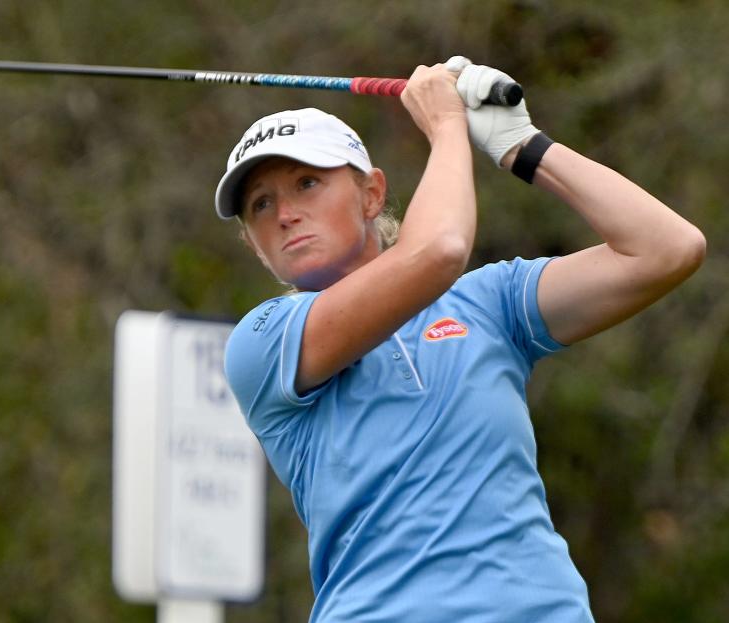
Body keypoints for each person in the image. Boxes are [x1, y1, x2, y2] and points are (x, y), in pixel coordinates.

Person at [215, 56, 706, 622]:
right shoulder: (264, 341)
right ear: (254, 245)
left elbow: (667, 249)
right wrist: (448, 127)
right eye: (261, 204)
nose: (285, 214)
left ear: (372, 195)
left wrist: (522, 146)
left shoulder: (489, 303)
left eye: (307, 183)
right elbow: (439, 251)